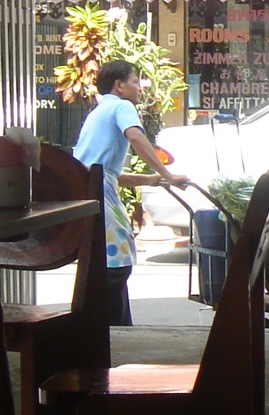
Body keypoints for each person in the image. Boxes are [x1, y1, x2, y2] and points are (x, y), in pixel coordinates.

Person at [72, 60, 186, 325]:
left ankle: (116, 326)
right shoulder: (121, 106)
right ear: (119, 86)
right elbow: (136, 137)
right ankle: (109, 329)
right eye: (135, 81)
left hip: (89, 187)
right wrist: (168, 174)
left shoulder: (99, 112)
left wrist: (150, 179)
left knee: (107, 263)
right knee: (115, 260)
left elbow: (107, 172)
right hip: (97, 192)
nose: (139, 88)